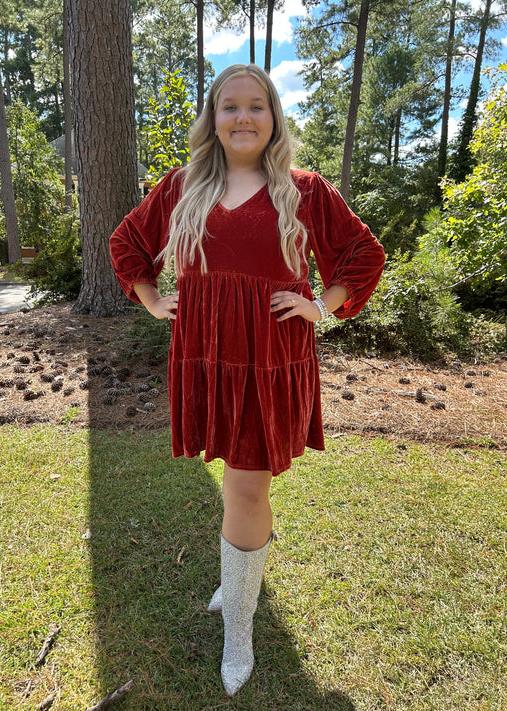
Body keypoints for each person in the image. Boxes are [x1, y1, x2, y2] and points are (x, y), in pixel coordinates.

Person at [110, 63, 385, 696]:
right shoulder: (183, 187)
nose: (242, 117)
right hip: (206, 357)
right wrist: (152, 299)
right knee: (242, 486)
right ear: (212, 117)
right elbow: (127, 243)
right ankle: (239, 584)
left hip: (268, 360)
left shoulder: (303, 190)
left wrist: (323, 305)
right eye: (229, 106)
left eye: (255, 106)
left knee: (244, 489)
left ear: (273, 117)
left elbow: (363, 253)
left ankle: (239, 627)